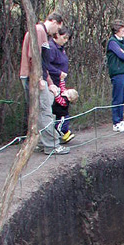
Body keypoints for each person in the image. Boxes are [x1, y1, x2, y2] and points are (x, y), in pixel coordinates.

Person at [19, 11, 70, 155]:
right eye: (58, 28)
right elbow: (33, 58)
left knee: (42, 107)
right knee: (44, 110)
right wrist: (39, 79)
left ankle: (40, 142)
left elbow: (43, 62)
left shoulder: (43, 33)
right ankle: (51, 145)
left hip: (38, 77)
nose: (57, 32)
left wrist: (49, 82)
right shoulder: (38, 31)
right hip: (32, 77)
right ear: (54, 22)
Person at [106, 19, 124, 132]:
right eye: (122, 29)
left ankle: (120, 119)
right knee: (117, 97)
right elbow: (123, 56)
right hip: (117, 73)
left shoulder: (122, 41)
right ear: (116, 30)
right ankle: (116, 122)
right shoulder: (112, 42)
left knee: (122, 97)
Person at [48, 27, 74, 141]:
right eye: (64, 38)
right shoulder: (51, 48)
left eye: (67, 39)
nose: (65, 41)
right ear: (57, 35)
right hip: (52, 83)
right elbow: (46, 66)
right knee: (55, 111)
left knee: (61, 110)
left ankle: (62, 133)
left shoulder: (60, 48)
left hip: (60, 82)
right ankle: (54, 137)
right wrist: (59, 73)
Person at [52, 72, 79, 141]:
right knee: (58, 127)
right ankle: (67, 134)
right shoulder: (64, 94)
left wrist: (55, 93)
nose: (65, 91)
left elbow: (59, 99)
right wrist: (62, 79)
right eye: (67, 91)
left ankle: (65, 136)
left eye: (67, 92)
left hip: (62, 117)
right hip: (58, 116)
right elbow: (62, 87)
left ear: (69, 98)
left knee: (59, 128)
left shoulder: (65, 101)